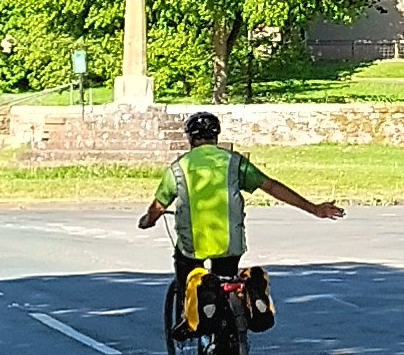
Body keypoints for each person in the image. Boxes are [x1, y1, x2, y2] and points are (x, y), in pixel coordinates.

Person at [136, 110, 337, 328]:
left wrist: (148, 220)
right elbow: (270, 186)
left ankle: (190, 316)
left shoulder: (178, 168)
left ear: (190, 138)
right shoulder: (234, 162)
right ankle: (237, 325)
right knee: (227, 279)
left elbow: (158, 206)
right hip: (231, 243)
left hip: (192, 245)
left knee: (186, 268)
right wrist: (313, 208)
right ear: (216, 137)